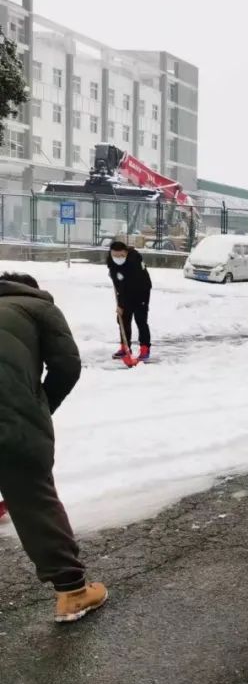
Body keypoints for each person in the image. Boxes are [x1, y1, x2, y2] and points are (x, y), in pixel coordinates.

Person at [0, 272, 108, 623]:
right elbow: (66, 365)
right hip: (11, 422)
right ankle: (73, 592)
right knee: (34, 501)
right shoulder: (38, 306)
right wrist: (40, 405)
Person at [106, 240, 153, 361]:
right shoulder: (111, 262)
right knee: (123, 319)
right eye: (115, 255)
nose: (118, 258)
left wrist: (122, 304)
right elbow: (119, 283)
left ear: (126, 253)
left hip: (141, 292)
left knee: (140, 320)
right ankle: (125, 347)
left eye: (121, 255)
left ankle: (144, 348)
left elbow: (132, 286)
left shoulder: (134, 262)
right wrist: (121, 305)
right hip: (125, 292)